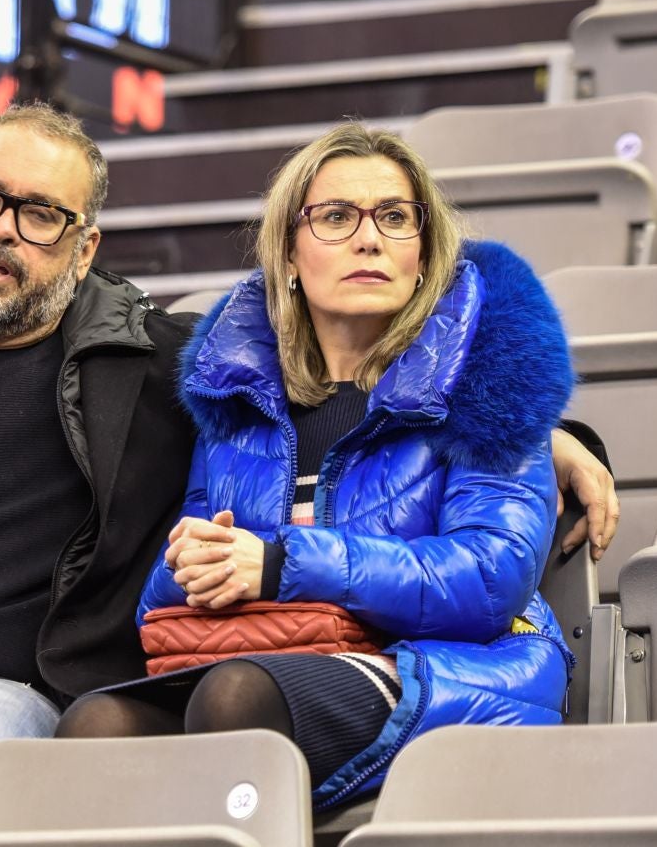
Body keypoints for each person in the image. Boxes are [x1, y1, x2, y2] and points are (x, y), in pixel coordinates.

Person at [0, 101, 620, 847]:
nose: (1, 234)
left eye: (40, 216)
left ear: (85, 247)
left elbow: (452, 427)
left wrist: (552, 433)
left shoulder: (150, 361)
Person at [57, 122, 575, 810]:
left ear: (423, 253)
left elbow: (492, 578)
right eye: (336, 217)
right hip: (274, 660)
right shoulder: (239, 401)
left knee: (235, 697)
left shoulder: (488, 378)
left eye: (394, 217)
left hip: (449, 669)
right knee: (95, 727)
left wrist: (281, 563)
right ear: (290, 257)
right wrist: (192, 565)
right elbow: (166, 600)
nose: (369, 238)